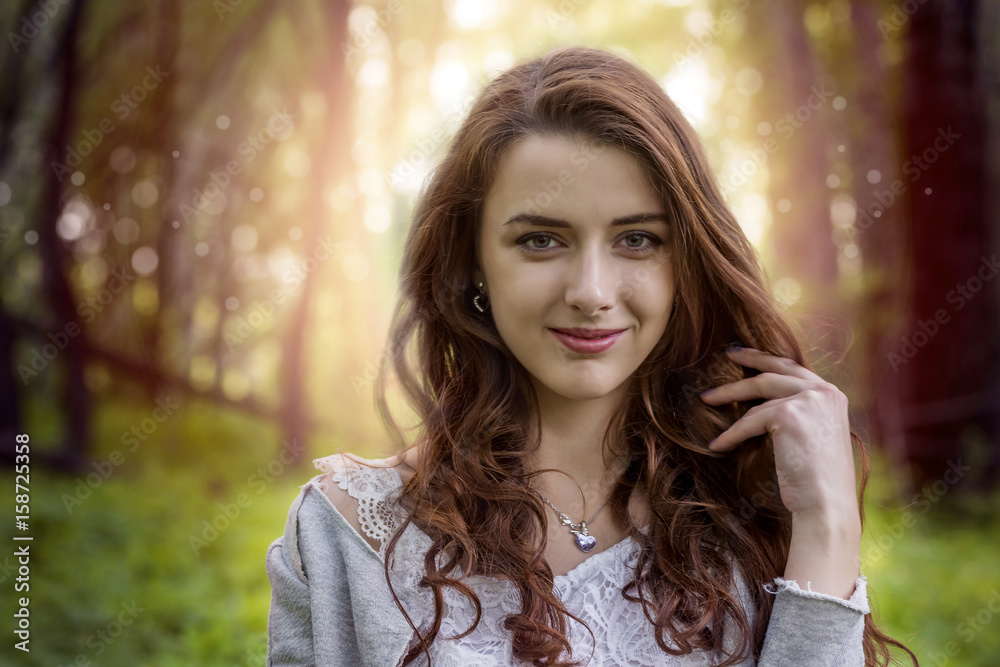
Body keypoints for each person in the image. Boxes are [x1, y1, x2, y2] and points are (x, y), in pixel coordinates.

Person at [265, 46, 918, 666]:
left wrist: (829, 525)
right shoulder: (342, 536)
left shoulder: (753, 521)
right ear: (473, 261)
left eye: (637, 239)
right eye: (542, 239)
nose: (592, 293)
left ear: (685, 262)